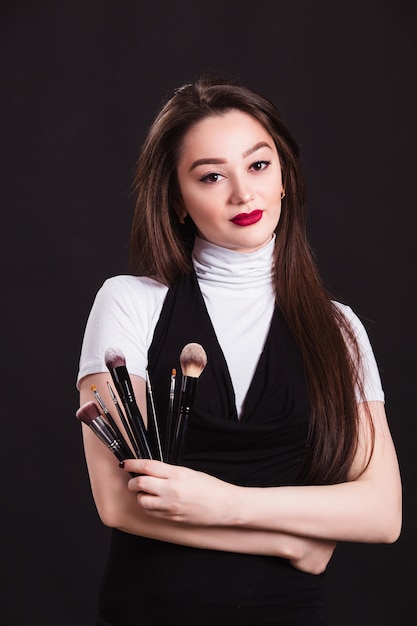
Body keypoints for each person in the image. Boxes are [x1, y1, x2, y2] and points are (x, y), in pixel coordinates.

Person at [77, 76, 402, 626]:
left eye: (258, 166)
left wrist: (224, 503)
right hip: (153, 612)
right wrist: (292, 542)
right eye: (210, 176)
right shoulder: (129, 303)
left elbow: (381, 512)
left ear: (285, 180)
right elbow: (119, 503)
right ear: (178, 200)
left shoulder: (338, 328)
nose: (242, 194)